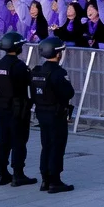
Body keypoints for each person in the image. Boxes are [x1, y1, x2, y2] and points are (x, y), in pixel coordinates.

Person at [0, 32, 37, 187]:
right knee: (19, 141)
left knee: (3, 140)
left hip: (1, 107)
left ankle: (2, 173)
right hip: (18, 108)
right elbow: (28, 83)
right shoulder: (19, 66)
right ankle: (18, 174)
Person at [31, 36, 75, 193]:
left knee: (46, 145)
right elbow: (69, 92)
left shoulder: (37, 71)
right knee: (57, 146)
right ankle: (55, 181)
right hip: (56, 114)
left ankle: (45, 180)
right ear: (57, 54)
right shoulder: (58, 72)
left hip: (41, 113)